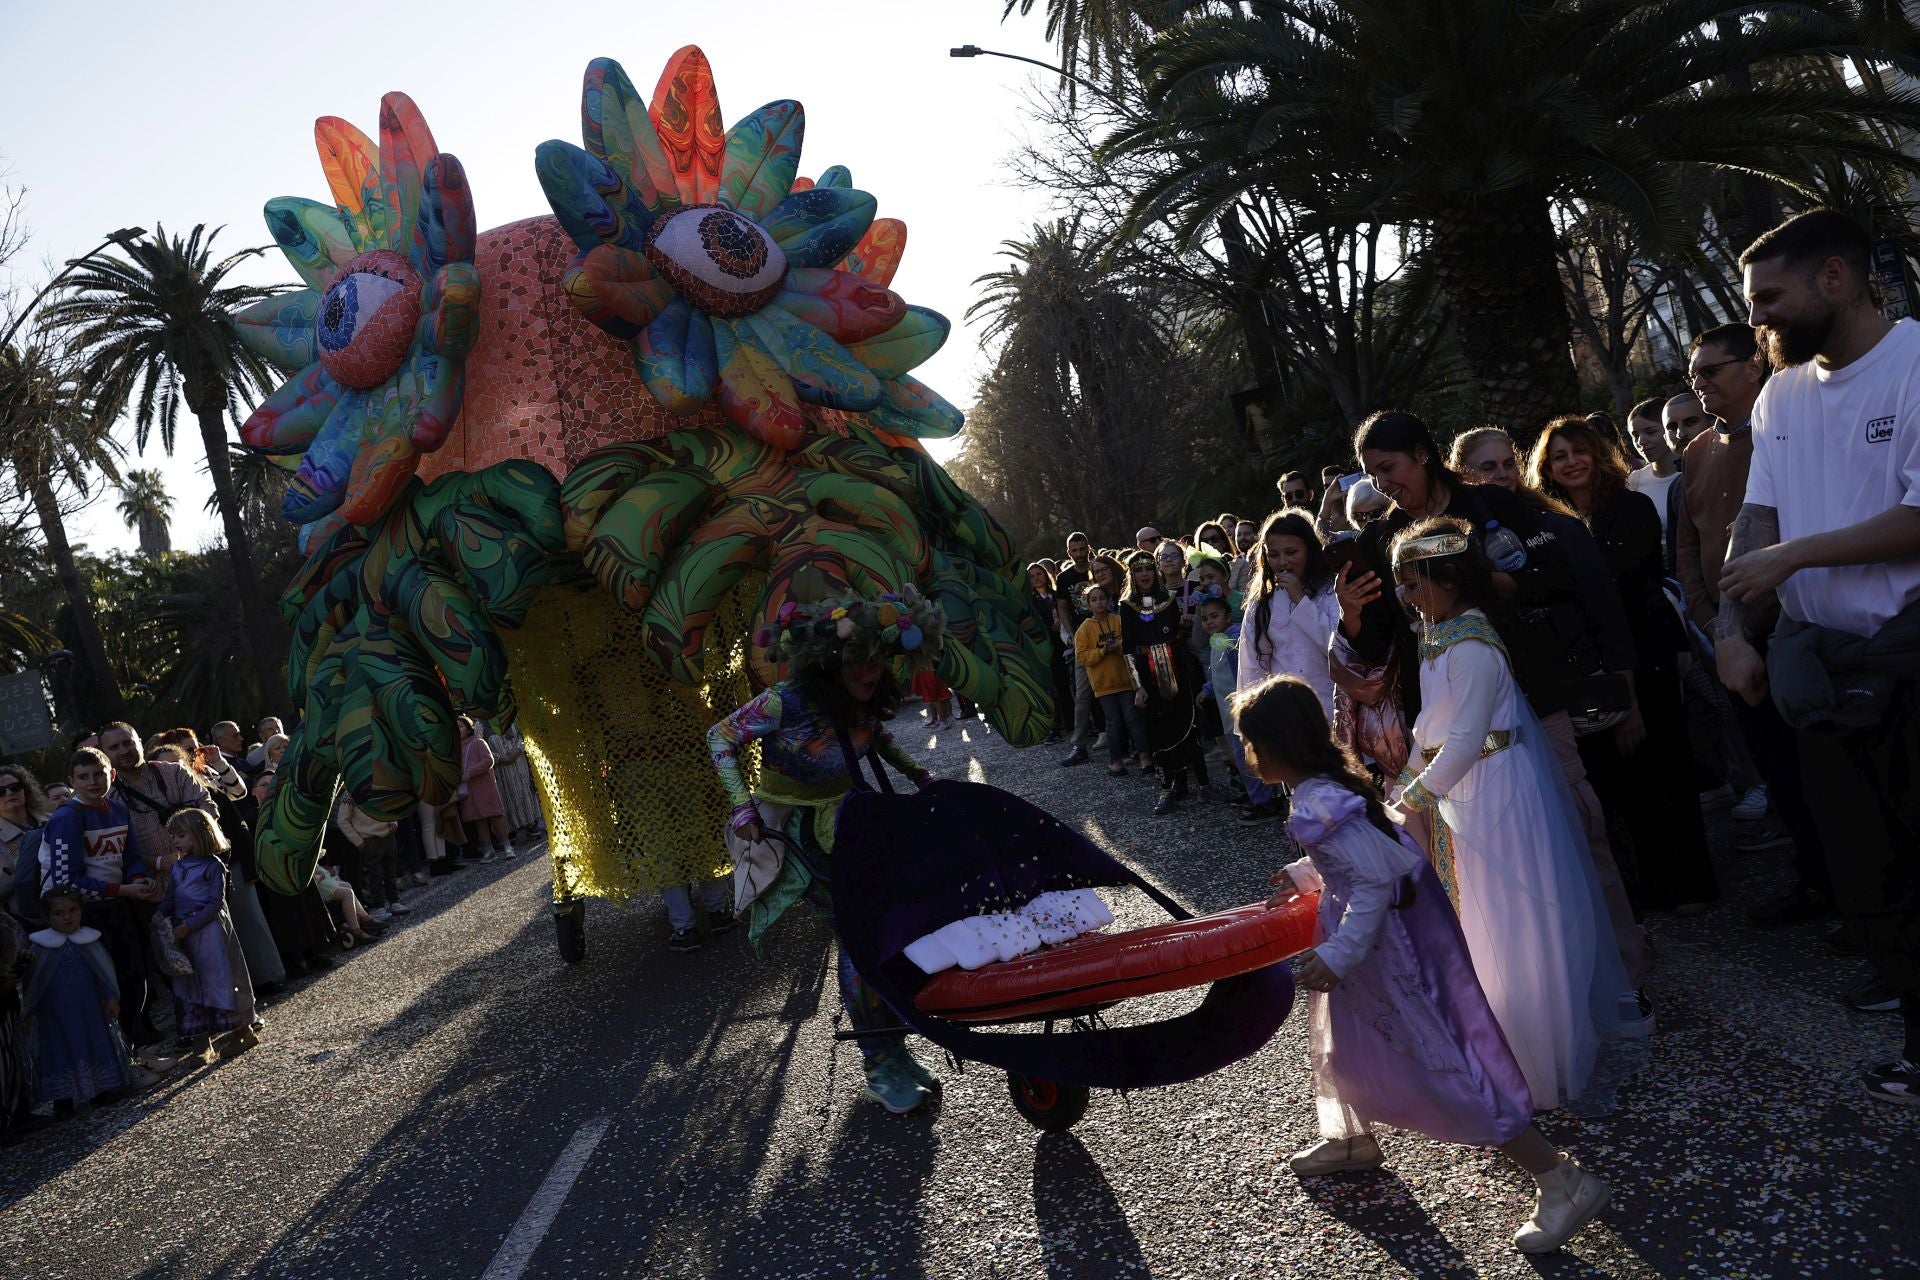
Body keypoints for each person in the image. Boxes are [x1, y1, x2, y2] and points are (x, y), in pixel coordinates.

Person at [1239, 675, 1611, 1254]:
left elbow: (1372, 881)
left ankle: (1560, 1178)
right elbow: (1371, 858)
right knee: (1351, 1039)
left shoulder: (1318, 803)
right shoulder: (1330, 788)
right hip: (1381, 948)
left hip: (1388, 957)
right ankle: (1348, 1137)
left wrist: (1338, 952)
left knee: (1450, 1059)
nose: (1248, 755)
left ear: (1279, 744)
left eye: (1252, 742)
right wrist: (1305, 875)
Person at [1343, 412, 1653, 1003]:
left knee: (1577, 828)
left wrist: (1500, 585)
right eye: (1371, 476)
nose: (1382, 485)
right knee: (1489, 863)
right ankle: (1530, 992)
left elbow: (1562, 575)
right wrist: (1355, 619)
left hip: (1530, 699)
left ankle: (1624, 970)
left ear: (1422, 454)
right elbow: (1379, 636)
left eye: (1389, 468)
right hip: (1449, 722)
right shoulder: (1377, 540)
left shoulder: (1491, 505)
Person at [1716, 208, 1920, 1103]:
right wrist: (1731, 628)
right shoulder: (1780, 394)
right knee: (1869, 876)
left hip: (1909, 662)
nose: (1760, 318)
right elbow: (1757, 517)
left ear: (1835, 278)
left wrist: (1797, 556)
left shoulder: (1916, 363)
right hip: (1820, 675)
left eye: (1771, 298)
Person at [1385, 519, 1641, 1111]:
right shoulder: (1440, 637)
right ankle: (1499, 1049)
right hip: (1464, 786)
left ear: (1450, 578)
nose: (1407, 594)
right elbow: (1435, 730)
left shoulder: (1471, 644)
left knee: (1509, 915)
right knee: (1480, 915)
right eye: (1402, 583)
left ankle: (1536, 1060)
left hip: (1494, 788)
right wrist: (1407, 781)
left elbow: (1470, 735)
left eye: (1414, 581)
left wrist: (1414, 798)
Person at [709, 587, 944, 1114]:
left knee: (891, 928)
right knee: (860, 935)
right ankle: (881, 1066)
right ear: (832, 661)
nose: (874, 672)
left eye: (882, 662)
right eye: (863, 661)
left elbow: (876, 739)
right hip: (796, 833)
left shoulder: (860, 701)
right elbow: (719, 737)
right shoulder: (784, 701)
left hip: (852, 820)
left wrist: (922, 776)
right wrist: (742, 809)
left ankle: (894, 1050)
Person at [1530, 417, 1719, 916]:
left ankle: (1691, 885)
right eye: (1559, 456)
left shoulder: (1630, 507)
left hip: (1646, 654)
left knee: (1666, 768)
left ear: (1597, 453)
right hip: (1590, 664)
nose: (1571, 462)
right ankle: (1649, 888)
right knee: (1619, 779)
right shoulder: (1548, 523)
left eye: (1578, 451)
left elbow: (1612, 587)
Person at [1681, 322, 1831, 924]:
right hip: (1732, 637)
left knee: (1822, 769)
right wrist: (1718, 624)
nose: (1699, 385)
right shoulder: (1695, 452)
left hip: (1796, 623)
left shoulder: (1791, 429)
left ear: (1753, 367)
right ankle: (1814, 881)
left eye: (1710, 371)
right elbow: (1688, 548)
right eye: (1692, 375)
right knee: (1777, 769)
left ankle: (1853, 892)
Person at [39, 748, 166, 1078]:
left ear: (111, 775)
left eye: (99, 774)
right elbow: (66, 883)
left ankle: (136, 1053)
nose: (93, 782)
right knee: (107, 990)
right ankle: (117, 1066)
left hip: (120, 907)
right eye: (83, 776)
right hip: (85, 917)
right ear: (72, 782)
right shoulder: (67, 818)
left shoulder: (119, 809)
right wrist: (123, 889)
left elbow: (132, 856)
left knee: (134, 979)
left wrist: (139, 879)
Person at [1121, 552, 1218, 814]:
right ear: (1132, 574)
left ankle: (1204, 783)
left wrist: (1184, 627)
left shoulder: (1170, 599)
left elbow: (1177, 633)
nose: (1144, 575)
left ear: (1155, 571)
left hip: (1177, 666)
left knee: (1187, 721)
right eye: (1138, 570)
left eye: (1148, 569)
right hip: (1148, 672)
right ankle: (1170, 785)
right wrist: (1137, 685)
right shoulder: (1127, 606)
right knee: (1158, 730)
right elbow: (1128, 648)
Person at [21, 886, 133, 1111]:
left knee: (94, 1042)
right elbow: (34, 982)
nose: (67, 917)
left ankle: (100, 1088)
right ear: (47, 916)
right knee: (57, 1051)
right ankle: (63, 1097)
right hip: (53, 1014)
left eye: (73, 910)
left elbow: (103, 972)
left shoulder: (89, 941)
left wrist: (111, 997)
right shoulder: (41, 946)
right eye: (59, 913)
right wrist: (29, 1011)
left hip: (89, 1008)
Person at [158, 811, 257, 1063]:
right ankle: (202, 1042)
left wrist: (189, 925)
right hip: (185, 934)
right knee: (191, 984)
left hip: (209, 933)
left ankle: (241, 1030)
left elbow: (215, 903)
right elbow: (171, 896)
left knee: (219, 979)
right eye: (174, 836)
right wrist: (160, 913)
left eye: (181, 835)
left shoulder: (214, 866)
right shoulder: (178, 867)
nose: (176, 841)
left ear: (200, 835)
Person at [1236, 509, 1340, 718]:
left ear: (1310, 550)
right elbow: (1251, 668)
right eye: (1274, 555)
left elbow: (1339, 651)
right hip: (1286, 720)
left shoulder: (1331, 591)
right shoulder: (1261, 604)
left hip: (1333, 710)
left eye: (1292, 553)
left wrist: (1300, 601)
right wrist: (1249, 728)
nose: (1282, 562)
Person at [1075, 582, 1150, 778]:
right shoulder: (1084, 629)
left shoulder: (1118, 620)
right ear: (1087, 604)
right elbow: (1082, 657)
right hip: (1104, 686)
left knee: (1133, 719)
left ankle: (1144, 756)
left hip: (1126, 681)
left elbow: (1131, 641)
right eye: (1094, 600)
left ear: (1109, 601)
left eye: (1102, 598)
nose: (1099, 602)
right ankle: (1115, 761)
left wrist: (1117, 647)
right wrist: (1102, 651)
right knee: (1113, 723)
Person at [1055, 532, 1100, 767]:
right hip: (1082, 640)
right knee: (1082, 694)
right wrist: (1071, 633)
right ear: (1068, 552)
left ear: (1089, 548)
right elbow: (1062, 607)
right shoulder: (1064, 578)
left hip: (1107, 636)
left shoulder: (1100, 568)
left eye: (1083, 549)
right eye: (1075, 550)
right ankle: (1079, 745)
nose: (1080, 554)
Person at [1625, 397, 1684, 551]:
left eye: (1650, 432)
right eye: (1635, 435)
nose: (1641, 441)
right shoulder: (1634, 480)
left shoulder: (1691, 474)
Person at [1028, 562, 1074, 744]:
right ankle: (1054, 726)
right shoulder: (1030, 602)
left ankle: (1071, 722)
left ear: (1045, 575)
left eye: (1039, 574)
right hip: (1044, 648)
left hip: (1063, 644)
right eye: (1031, 576)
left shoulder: (1057, 595)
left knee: (1066, 685)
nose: (1036, 578)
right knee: (1049, 688)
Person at [1, 763, 52, 924]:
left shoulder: (53, 820)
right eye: (0, 791)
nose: (9, 793)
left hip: (74, 912)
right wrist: (22, 871)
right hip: (29, 925)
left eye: (15, 787)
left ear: (25, 789)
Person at [456, 716, 511, 862]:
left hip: (484, 786)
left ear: (468, 729)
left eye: (461, 726)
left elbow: (488, 760)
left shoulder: (478, 742)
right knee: (478, 820)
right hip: (469, 790)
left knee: (494, 817)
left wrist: (470, 772)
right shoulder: (455, 749)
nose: (458, 730)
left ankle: (507, 847)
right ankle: (489, 850)